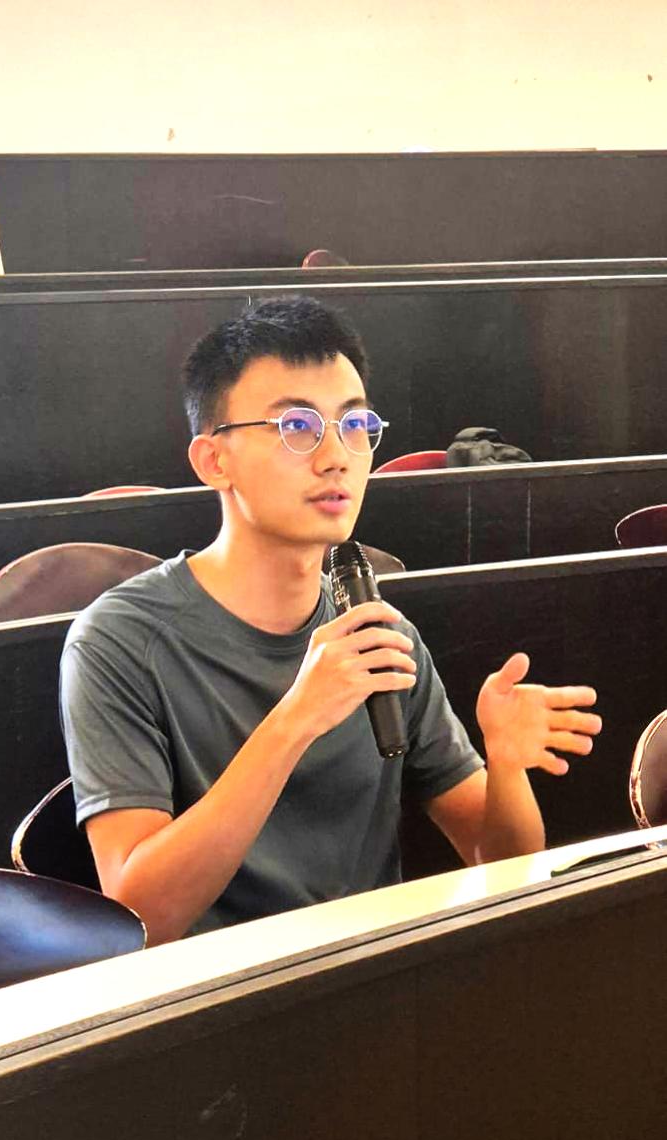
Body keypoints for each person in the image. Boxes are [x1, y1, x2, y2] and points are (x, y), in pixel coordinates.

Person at [60, 296, 601, 949]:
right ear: (213, 461)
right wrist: (296, 719)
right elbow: (141, 915)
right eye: (296, 426)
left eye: (354, 424)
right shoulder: (118, 641)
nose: (335, 456)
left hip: (365, 973)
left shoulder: (381, 636)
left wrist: (505, 769)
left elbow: (499, 864)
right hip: (215, 993)